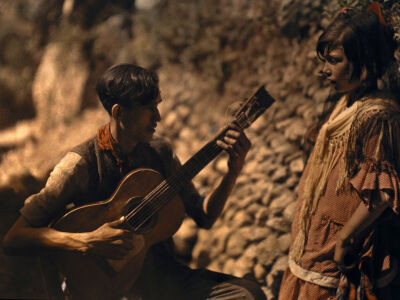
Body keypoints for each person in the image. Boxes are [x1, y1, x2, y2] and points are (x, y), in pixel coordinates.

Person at [3, 64, 266, 300]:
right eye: (148, 108)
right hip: (106, 291)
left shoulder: (160, 154)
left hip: (166, 284)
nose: (158, 117)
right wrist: (87, 241)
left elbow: (205, 218)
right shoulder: (79, 165)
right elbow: (15, 238)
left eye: (158, 105)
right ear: (119, 112)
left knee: (248, 294)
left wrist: (233, 171)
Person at [279, 4, 400, 300]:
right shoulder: (347, 103)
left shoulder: (376, 116)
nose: (325, 70)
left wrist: (345, 238)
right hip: (314, 246)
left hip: (335, 255)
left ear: (364, 62)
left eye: (334, 61)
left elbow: (381, 195)